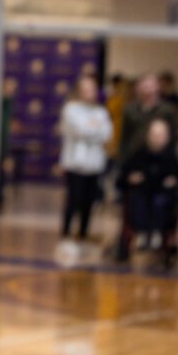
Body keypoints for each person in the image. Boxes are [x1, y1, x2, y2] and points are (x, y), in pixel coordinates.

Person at [115, 118, 178, 263]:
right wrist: (129, 179)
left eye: (160, 135)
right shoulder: (138, 155)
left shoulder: (172, 158)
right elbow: (120, 180)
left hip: (163, 203)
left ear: (167, 137)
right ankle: (142, 234)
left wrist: (174, 183)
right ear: (148, 136)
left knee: (161, 202)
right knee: (138, 201)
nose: (157, 139)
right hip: (140, 200)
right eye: (154, 135)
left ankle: (157, 234)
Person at [58, 73, 111, 243]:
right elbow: (80, 131)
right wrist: (93, 128)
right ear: (79, 91)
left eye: (92, 89)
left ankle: (83, 232)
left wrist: (92, 129)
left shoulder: (101, 111)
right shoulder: (70, 109)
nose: (89, 93)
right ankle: (66, 230)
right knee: (74, 198)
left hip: (94, 163)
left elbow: (107, 133)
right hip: (75, 162)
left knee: (89, 200)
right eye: (85, 89)